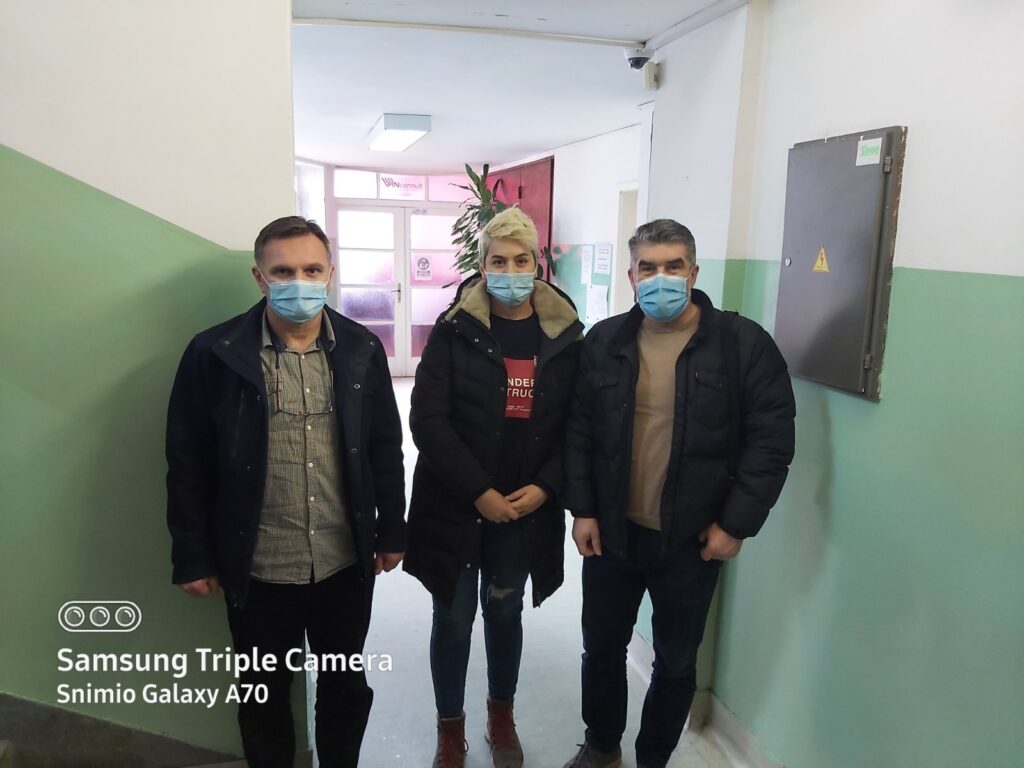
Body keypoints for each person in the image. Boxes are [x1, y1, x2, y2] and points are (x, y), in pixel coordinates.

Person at [165, 216, 406, 768]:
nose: (300, 282)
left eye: (312, 270)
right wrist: (192, 555)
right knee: (263, 698)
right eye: (283, 271)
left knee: (345, 688)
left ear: (330, 273)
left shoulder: (362, 348)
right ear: (260, 277)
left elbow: (384, 446)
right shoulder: (214, 354)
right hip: (259, 566)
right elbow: (188, 462)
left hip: (343, 562)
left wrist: (392, 529)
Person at [561, 219, 796, 768]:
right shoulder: (605, 342)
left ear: (693, 272)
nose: (660, 278)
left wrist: (735, 525)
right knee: (602, 649)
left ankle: (652, 759)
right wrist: (584, 510)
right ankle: (601, 747)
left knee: (675, 661)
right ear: (631, 276)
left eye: (673, 266)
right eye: (648, 267)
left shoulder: (742, 345)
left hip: (693, 540)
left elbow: (771, 440)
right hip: (613, 533)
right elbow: (579, 431)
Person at [404, 208, 583, 768]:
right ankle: (449, 728)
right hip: (457, 504)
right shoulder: (453, 330)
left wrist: (547, 487)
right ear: (482, 267)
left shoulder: (564, 335)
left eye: (520, 260)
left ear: (537, 264)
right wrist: (478, 491)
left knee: (505, 613)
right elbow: (427, 420)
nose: (510, 271)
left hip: (524, 509)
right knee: (453, 619)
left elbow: (578, 425)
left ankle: (500, 716)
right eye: (498, 261)